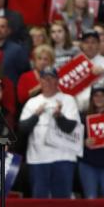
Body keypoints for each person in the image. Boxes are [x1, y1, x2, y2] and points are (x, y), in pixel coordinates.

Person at [19, 66, 82, 198]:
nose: (47, 82)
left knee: (62, 203)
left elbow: (71, 128)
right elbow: (22, 129)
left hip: (63, 159)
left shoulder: (68, 100)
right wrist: (36, 115)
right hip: (38, 160)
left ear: (57, 81)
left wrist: (59, 116)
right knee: (40, 203)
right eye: (44, 79)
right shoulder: (32, 102)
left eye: (50, 78)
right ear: (40, 82)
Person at [79, 84, 104, 198]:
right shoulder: (83, 118)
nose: (99, 98)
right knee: (90, 199)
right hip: (88, 165)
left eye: (102, 95)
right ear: (92, 98)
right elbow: (73, 141)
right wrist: (84, 142)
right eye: (96, 95)